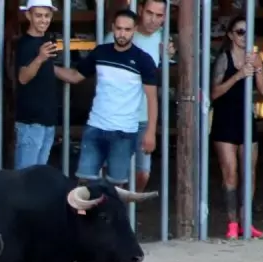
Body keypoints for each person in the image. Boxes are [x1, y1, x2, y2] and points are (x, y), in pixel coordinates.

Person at [55, 9, 158, 186]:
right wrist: (46, 66)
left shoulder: (144, 60)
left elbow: (152, 99)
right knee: (85, 183)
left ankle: (111, 215)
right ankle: (84, 215)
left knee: (115, 186)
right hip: (96, 126)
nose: (122, 34)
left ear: (134, 30)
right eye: (118, 28)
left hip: (124, 131)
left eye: (127, 29)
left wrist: (150, 132)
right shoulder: (100, 53)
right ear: (112, 28)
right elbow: (74, 76)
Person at [103, 0, 176, 192]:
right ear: (140, 10)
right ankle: (111, 213)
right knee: (115, 174)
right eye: (149, 13)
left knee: (143, 173)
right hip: (117, 116)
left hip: (143, 115)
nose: (153, 20)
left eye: (159, 16)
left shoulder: (164, 39)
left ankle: (124, 213)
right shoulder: (118, 35)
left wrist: (167, 57)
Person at [210, 16, 263, 239]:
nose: (244, 36)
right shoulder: (224, 58)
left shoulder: (254, 58)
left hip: (246, 118)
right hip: (225, 119)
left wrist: (259, 67)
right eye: (240, 32)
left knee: (249, 173)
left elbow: (262, 90)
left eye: (247, 32)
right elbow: (215, 92)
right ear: (231, 35)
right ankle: (232, 223)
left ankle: (246, 221)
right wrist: (239, 75)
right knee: (230, 173)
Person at [14, 0, 59, 169]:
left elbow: (48, 72)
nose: (43, 20)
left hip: (47, 121)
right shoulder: (24, 43)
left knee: (38, 178)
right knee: (25, 178)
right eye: (38, 15)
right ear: (28, 15)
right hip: (30, 123)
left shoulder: (45, 40)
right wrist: (40, 58)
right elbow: (23, 77)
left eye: (47, 16)